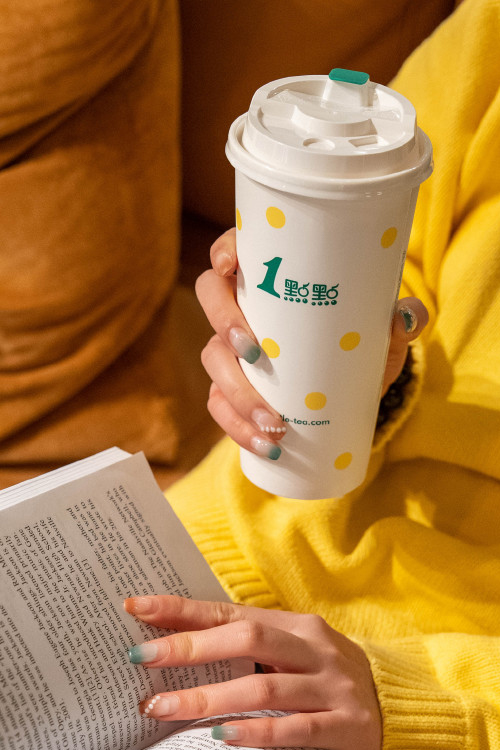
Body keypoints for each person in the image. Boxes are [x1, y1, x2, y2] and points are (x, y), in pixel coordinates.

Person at [122, 0, 500, 746]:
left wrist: (415, 710)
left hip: (425, 684)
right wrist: (382, 377)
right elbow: (398, 270)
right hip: (232, 536)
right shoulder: (486, 43)